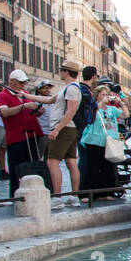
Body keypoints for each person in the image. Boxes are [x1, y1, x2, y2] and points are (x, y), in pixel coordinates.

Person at [0, 69, 51, 197]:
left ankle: (35, 191)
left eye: (24, 82)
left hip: (32, 134)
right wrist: (23, 106)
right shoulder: (3, 95)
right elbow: (4, 112)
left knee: (33, 165)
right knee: (17, 168)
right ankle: (16, 194)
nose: (23, 85)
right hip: (17, 137)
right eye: (20, 83)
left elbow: (31, 112)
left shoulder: (25, 93)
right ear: (12, 81)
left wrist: (38, 111)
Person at [45, 60, 84, 207]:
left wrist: (56, 129)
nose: (60, 72)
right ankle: (73, 197)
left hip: (64, 129)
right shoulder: (67, 88)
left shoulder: (72, 89)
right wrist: (25, 97)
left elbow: (71, 111)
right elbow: (49, 100)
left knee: (52, 162)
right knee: (71, 162)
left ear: (66, 72)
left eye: (61, 69)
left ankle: (57, 198)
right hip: (68, 129)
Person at [80, 84, 125, 197]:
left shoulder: (112, 109)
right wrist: (101, 103)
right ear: (97, 95)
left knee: (108, 168)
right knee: (93, 167)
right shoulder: (93, 106)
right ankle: (91, 194)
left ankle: (107, 192)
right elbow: (91, 115)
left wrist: (121, 103)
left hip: (109, 141)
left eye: (107, 94)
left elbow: (126, 114)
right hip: (94, 140)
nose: (105, 96)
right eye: (102, 94)